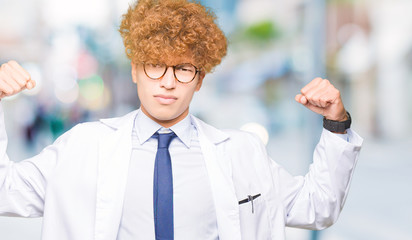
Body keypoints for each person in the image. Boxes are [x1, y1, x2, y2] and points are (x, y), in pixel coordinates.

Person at [0, 0, 363, 239]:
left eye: (184, 68)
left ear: (201, 78)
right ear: (135, 71)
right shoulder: (81, 146)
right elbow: (6, 192)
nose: (169, 81)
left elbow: (318, 206)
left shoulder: (241, 152)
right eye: (156, 65)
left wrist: (336, 122)